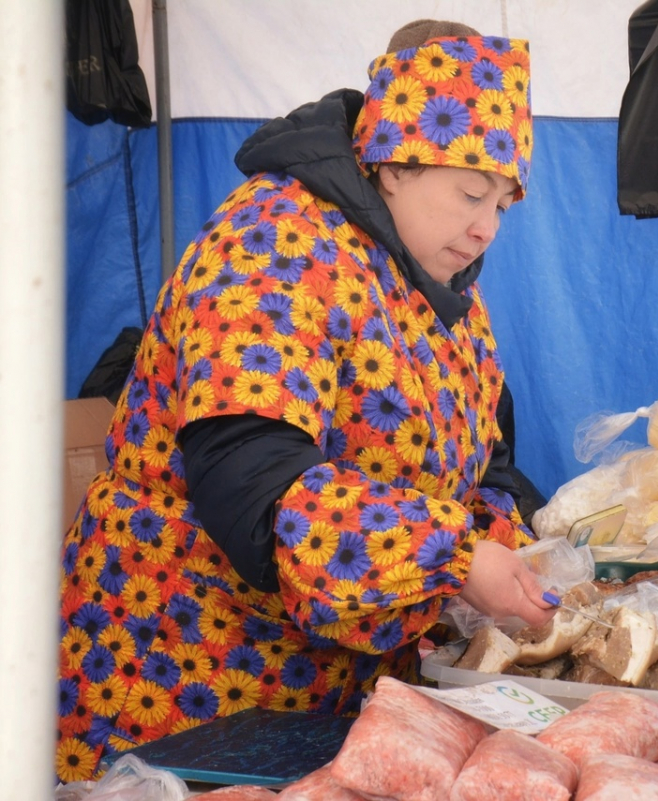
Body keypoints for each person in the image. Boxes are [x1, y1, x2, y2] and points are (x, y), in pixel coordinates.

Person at [55, 19, 552, 782]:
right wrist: (450, 554)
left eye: (504, 205)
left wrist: (501, 532)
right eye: (470, 193)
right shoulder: (274, 246)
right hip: (187, 682)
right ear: (393, 163)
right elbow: (253, 485)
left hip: (325, 699)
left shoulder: (443, 285)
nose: (485, 227)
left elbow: (486, 453)